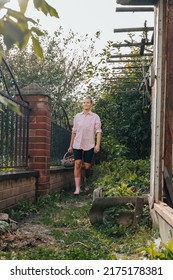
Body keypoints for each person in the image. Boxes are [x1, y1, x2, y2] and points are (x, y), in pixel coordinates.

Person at [68, 96, 102, 194]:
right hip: (77, 144)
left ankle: (86, 182)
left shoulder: (95, 117)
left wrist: (97, 145)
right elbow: (74, 132)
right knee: (77, 164)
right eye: (84, 102)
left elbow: (98, 131)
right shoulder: (77, 117)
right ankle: (77, 188)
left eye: (87, 102)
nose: (85, 104)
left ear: (91, 104)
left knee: (87, 166)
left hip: (89, 144)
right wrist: (70, 145)